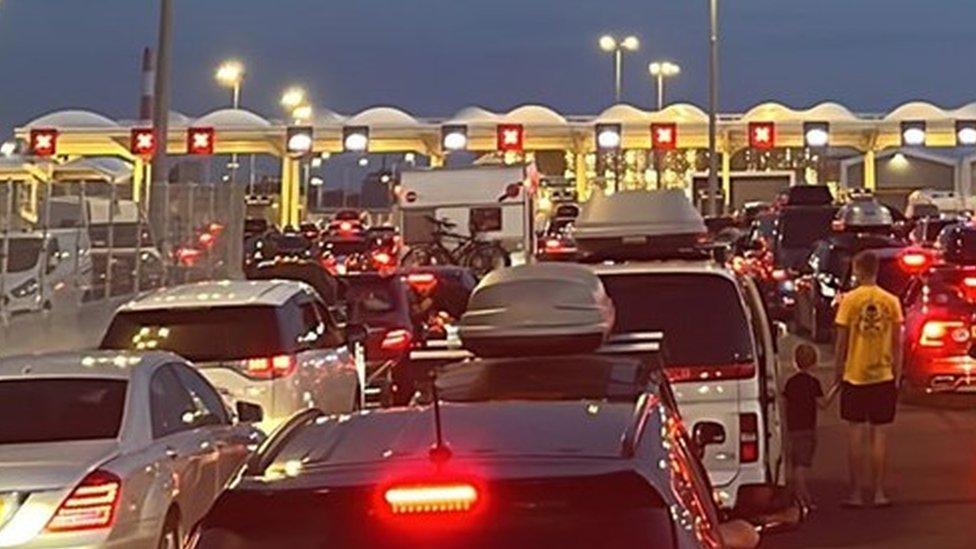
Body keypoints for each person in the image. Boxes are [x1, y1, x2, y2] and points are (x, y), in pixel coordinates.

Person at [834, 250, 903, 508]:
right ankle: (878, 493)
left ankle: (855, 493)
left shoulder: (849, 301)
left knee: (855, 436)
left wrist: (838, 372)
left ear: (858, 270)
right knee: (879, 437)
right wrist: (897, 373)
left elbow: (841, 342)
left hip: (855, 374)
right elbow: (898, 342)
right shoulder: (891, 301)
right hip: (883, 375)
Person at [784, 343, 837, 510]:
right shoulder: (813, 383)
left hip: (793, 427)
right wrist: (836, 389)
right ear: (814, 363)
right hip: (807, 427)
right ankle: (803, 497)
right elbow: (823, 404)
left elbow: (785, 404)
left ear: (795, 362)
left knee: (796, 463)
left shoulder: (790, 383)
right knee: (801, 464)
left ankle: (798, 494)